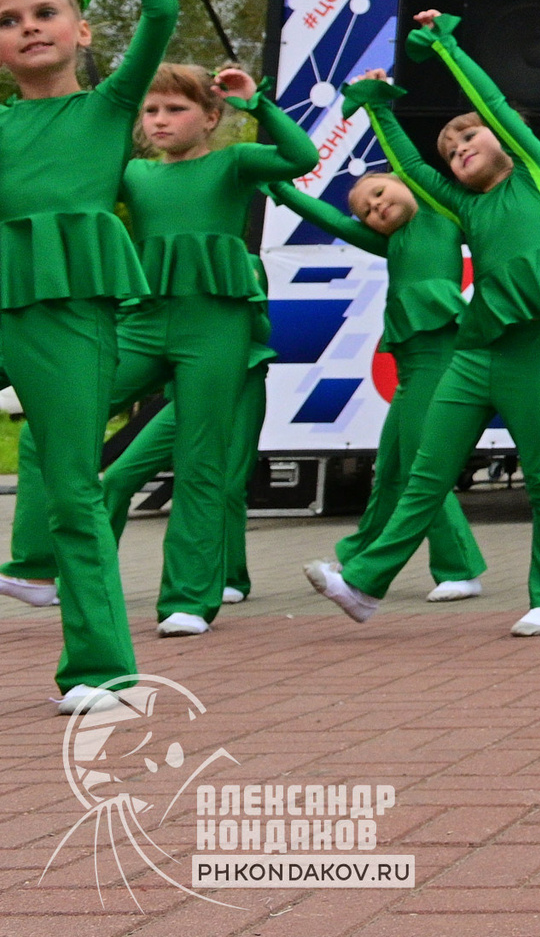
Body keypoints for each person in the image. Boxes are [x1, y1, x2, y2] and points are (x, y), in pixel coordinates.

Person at [305, 9, 540, 635]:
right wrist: (380, 109)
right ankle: (363, 585)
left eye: (469, 139)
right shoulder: (460, 204)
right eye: (451, 149)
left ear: (501, 139)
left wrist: (445, 46)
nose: (460, 148)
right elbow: (409, 168)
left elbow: (490, 104)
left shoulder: (537, 175)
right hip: (475, 350)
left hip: (532, 351)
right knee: (425, 475)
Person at [10, 64, 318, 636]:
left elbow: (300, 157)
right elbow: (63, 179)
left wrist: (260, 105)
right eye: (150, 110)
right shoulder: (133, 174)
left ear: (210, 116)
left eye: (174, 109)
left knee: (202, 460)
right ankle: (35, 566)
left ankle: (187, 600)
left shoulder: (234, 162)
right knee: (47, 424)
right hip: (143, 321)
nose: (158, 119)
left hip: (215, 327)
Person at [0, 0, 166, 711]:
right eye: (7, 21)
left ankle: (102, 667)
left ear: (82, 31)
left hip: (68, 307)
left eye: (43, 13)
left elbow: (164, 14)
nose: (26, 28)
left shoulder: (106, 108)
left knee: (72, 484)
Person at [268, 170, 486, 602]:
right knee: (390, 468)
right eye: (367, 211)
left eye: (380, 193)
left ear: (405, 184)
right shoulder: (389, 242)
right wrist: (277, 185)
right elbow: (331, 220)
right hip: (412, 368)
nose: (376, 208)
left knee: (423, 467)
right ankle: (358, 557)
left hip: (438, 358)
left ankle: (459, 567)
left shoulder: (440, 214)